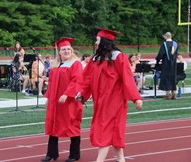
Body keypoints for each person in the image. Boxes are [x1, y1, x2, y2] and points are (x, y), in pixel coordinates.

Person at [76, 28, 142, 162]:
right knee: (114, 130)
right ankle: (121, 159)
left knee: (105, 129)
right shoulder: (96, 59)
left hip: (114, 101)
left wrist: (136, 97)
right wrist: (82, 93)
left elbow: (127, 78)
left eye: (97, 40)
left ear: (104, 42)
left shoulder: (118, 57)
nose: (95, 42)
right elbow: (87, 79)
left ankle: (99, 160)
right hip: (100, 100)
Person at [41, 37, 83, 162]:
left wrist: (66, 94)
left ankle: (74, 154)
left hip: (69, 102)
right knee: (53, 125)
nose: (66, 51)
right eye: (63, 49)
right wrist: (48, 97)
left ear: (72, 50)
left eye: (68, 49)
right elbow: (52, 83)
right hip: (56, 102)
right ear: (58, 51)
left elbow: (77, 80)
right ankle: (51, 153)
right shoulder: (55, 65)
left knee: (72, 125)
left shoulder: (75, 64)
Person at [156, 32, 178, 99]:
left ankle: (168, 94)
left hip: (166, 63)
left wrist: (157, 60)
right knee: (172, 77)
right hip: (173, 63)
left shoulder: (164, 44)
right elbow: (176, 54)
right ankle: (174, 93)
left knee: (166, 77)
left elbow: (160, 54)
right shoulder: (175, 44)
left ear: (165, 37)